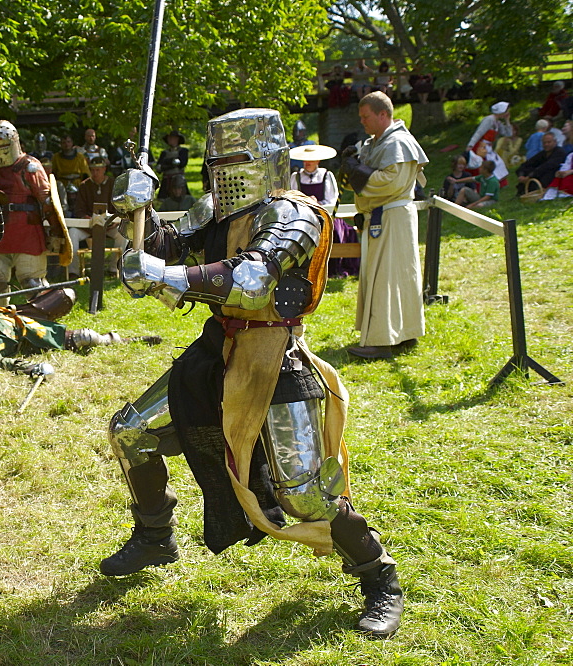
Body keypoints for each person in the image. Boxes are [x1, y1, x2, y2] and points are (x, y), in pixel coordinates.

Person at [102, 107, 404, 639]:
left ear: (267, 158)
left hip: (274, 357)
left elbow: (250, 281)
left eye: (237, 161)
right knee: (130, 430)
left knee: (306, 495)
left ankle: (380, 576)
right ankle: (154, 536)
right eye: (216, 162)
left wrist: (161, 272)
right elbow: (165, 253)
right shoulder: (212, 209)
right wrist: (134, 210)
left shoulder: (298, 215)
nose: (225, 173)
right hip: (218, 349)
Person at [339, 91, 428, 360]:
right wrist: (351, 168)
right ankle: (400, 333)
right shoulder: (375, 143)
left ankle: (383, 340)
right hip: (382, 217)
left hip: (392, 217)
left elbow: (391, 183)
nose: (363, 122)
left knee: (389, 277)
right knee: (391, 275)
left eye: (366, 117)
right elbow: (354, 180)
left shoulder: (399, 142)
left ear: (383, 114)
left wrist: (358, 173)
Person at [0, 287, 159, 375]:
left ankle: (41, 304)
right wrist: (32, 368)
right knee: (83, 337)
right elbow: (8, 364)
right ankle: (122, 340)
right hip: (27, 330)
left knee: (65, 294)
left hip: (14, 310)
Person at [0, 120, 67, 305]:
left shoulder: (30, 167)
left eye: (3, 145)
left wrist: (56, 231)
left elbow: (47, 202)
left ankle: (43, 321)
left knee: (32, 284)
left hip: (26, 233)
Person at [289, 144, 357, 277]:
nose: (308, 163)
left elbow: (332, 200)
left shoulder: (326, 175)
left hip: (325, 214)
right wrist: (306, 201)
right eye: (305, 160)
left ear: (318, 161)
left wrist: (318, 203)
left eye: (311, 160)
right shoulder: (296, 176)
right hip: (303, 215)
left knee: (335, 232)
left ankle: (334, 267)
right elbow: (292, 198)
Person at [70, 156, 127, 277]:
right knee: (72, 232)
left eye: (98, 170)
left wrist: (115, 219)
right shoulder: (84, 186)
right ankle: (73, 271)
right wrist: (85, 218)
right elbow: (79, 209)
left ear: (104, 169)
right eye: (93, 170)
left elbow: (120, 207)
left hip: (110, 225)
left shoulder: (113, 184)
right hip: (89, 226)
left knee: (123, 234)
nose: (95, 173)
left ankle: (113, 269)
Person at [516, 131, 565, 197]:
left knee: (541, 172)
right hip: (539, 174)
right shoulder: (543, 154)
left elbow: (547, 166)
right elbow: (527, 164)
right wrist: (521, 175)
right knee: (528, 169)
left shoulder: (560, 152)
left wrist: (530, 176)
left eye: (549, 142)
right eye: (544, 143)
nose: (546, 144)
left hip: (553, 175)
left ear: (555, 142)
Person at [51, 134, 90, 205]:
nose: (66, 144)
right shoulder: (56, 157)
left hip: (77, 184)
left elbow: (86, 174)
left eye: (68, 142)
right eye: (64, 142)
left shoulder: (80, 157)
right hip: (62, 184)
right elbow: (53, 174)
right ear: (61, 144)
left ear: (72, 143)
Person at [155, 130, 188, 199]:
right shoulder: (164, 153)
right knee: (163, 199)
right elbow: (159, 168)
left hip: (178, 179)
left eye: (172, 138)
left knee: (182, 198)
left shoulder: (183, 151)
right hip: (166, 180)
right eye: (169, 138)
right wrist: (171, 163)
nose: (170, 139)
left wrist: (167, 163)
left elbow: (182, 164)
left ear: (177, 139)